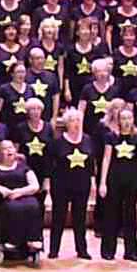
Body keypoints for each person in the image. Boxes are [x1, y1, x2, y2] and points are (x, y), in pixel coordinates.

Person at [0, 139, 43, 256]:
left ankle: (33, 239)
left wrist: (20, 192)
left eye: (11, 147)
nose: (9, 150)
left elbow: (35, 185)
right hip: (4, 198)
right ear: (0, 153)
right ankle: (11, 240)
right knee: (12, 208)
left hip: (23, 195)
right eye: (5, 148)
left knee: (34, 205)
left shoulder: (23, 167)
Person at [99, 107, 137, 261]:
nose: (126, 122)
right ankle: (108, 251)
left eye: (129, 118)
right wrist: (102, 183)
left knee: (130, 215)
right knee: (111, 214)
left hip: (132, 180)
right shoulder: (111, 137)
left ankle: (131, 252)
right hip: (114, 179)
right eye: (123, 118)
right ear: (118, 120)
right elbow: (106, 159)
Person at [48, 108, 94, 259]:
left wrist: (93, 181)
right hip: (61, 185)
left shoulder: (88, 140)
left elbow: (92, 164)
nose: (76, 124)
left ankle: (82, 250)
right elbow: (50, 164)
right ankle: (54, 250)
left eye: (78, 121)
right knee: (58, 217)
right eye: (73, 121)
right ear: (67, 123)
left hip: (82, 185)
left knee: (80, 218)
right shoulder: (57, 142)